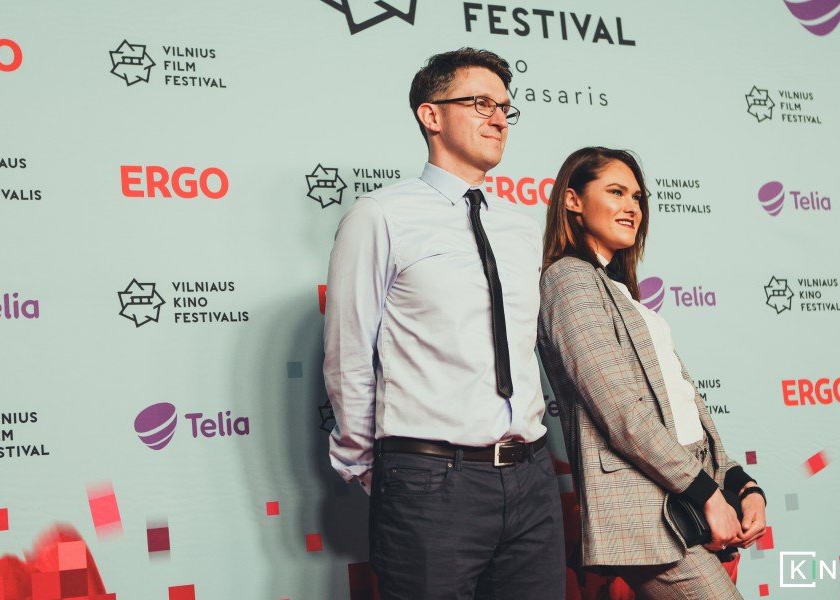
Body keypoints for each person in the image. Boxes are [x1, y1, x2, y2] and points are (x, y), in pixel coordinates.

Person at [323, 48, 564, 600]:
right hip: (429, 479)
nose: (498, 119)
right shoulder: (380, 216)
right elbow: (348, 351)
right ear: (431, 115)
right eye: (480, 103)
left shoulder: (522, 228)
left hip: (531, 476)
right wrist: (376, 466)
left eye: (505, 107)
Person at [537, 147, 767, 599]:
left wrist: (740, 483)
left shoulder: (621, 291)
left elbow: (686, 405)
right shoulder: (568, 278)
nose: (632, 207)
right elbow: (622, 412)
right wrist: (706, 494)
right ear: (573, 200)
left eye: (637, 197)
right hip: (646, 508)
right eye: (616, 192)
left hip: (685, 486)